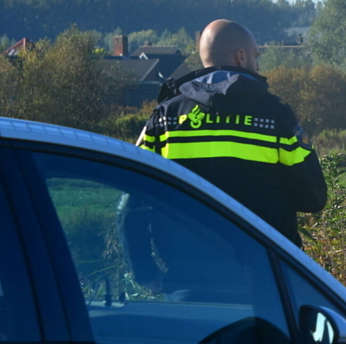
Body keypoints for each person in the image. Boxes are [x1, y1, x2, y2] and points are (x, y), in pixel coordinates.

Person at [138, 19, 326, 247]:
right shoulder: (275, 114)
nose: (258, 65)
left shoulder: (165, 116)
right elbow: (313, 198)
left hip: (184, 261)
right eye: (255, 56)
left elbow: (134, 197)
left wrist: (142, 265)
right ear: (241, 56)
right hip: (262, 260)